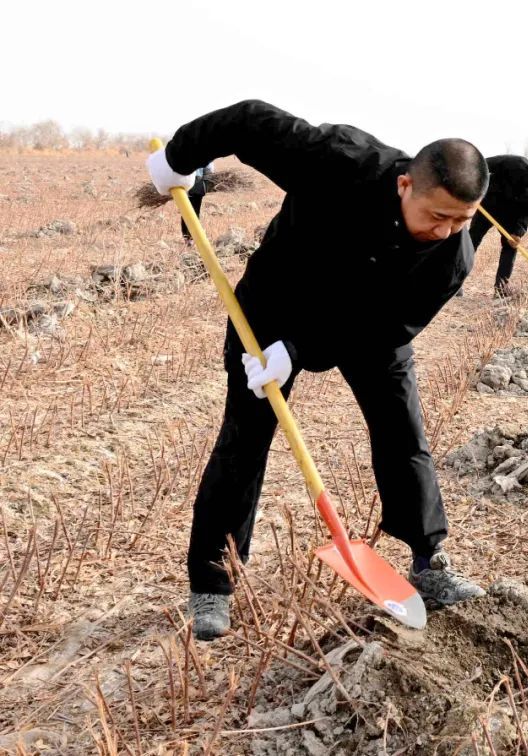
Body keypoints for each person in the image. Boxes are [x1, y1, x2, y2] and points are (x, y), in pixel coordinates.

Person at [146, 100, 489, 640]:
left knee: (403, 431)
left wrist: (300, 350)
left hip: (370, 325)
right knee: (244, 436)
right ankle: (212, 584)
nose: (446, 231)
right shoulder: (338, 160)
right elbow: (250, 120)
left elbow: (390, 328)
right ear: (404, 185)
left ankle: (429, 561)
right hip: (273, 305)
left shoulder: (452, 258)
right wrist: (178, 158)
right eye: (437, 216)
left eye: (462, 221)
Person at [467, 156, 528, 297]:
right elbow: (483, 165)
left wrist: (518, 232)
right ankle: (454, 281)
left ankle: (501, 289)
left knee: (511, 247)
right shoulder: (517, 165)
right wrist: (471, 184)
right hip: (489, 205)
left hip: (512, 216)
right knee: (472, 240)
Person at [181, 162, 214, 244]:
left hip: (195, 184)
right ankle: (188, 237)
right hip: (186, 184)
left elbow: (209, 169)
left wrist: (205, 185)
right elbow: (209, 169)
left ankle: (190, 237)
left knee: (192, 212)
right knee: (189, 212)